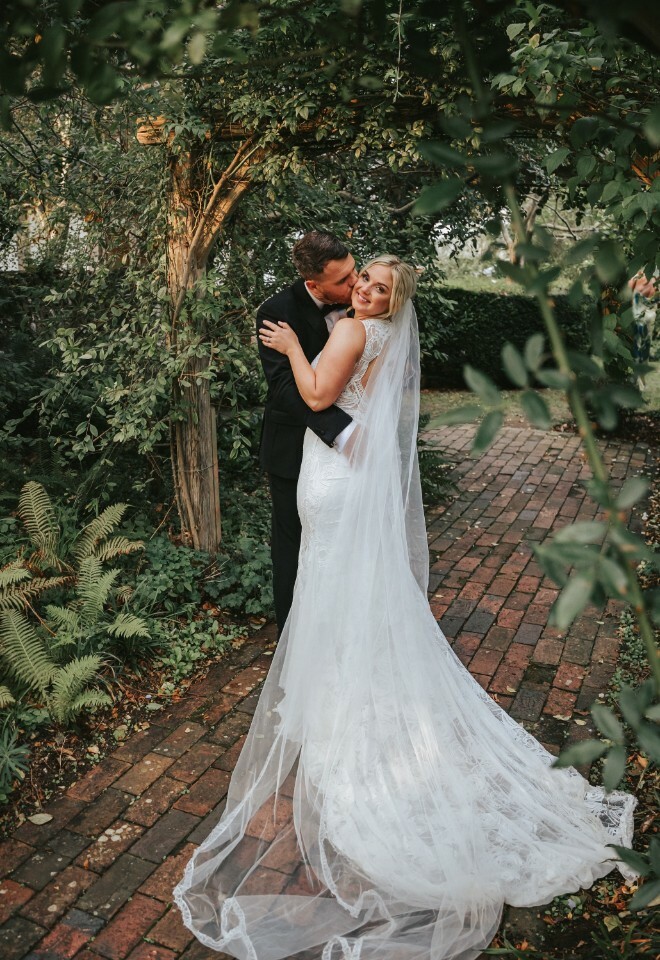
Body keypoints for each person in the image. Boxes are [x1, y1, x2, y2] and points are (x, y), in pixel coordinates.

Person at [174, 255, 636, 960]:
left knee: (329, 584)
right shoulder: (386, 337)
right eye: (362, 279)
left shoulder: (353, 331)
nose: (363, 289)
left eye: (377, 287)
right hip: (349, 477)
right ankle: (345, 692)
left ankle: (339, 706)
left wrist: (294, 347)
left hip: (332, 483)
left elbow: (316, 392)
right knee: (347, 590)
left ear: (393, 301)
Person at [256, 231, 358, 634]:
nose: (355, 283)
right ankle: (291, 641)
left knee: (345, 539)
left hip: (348, 453)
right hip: (292, 449)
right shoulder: (275, 311)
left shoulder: (365, 301)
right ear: (314, 285)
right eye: (343, 280)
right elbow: (283, 388)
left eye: (354, 271)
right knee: (291, 544)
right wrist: (339, 429)